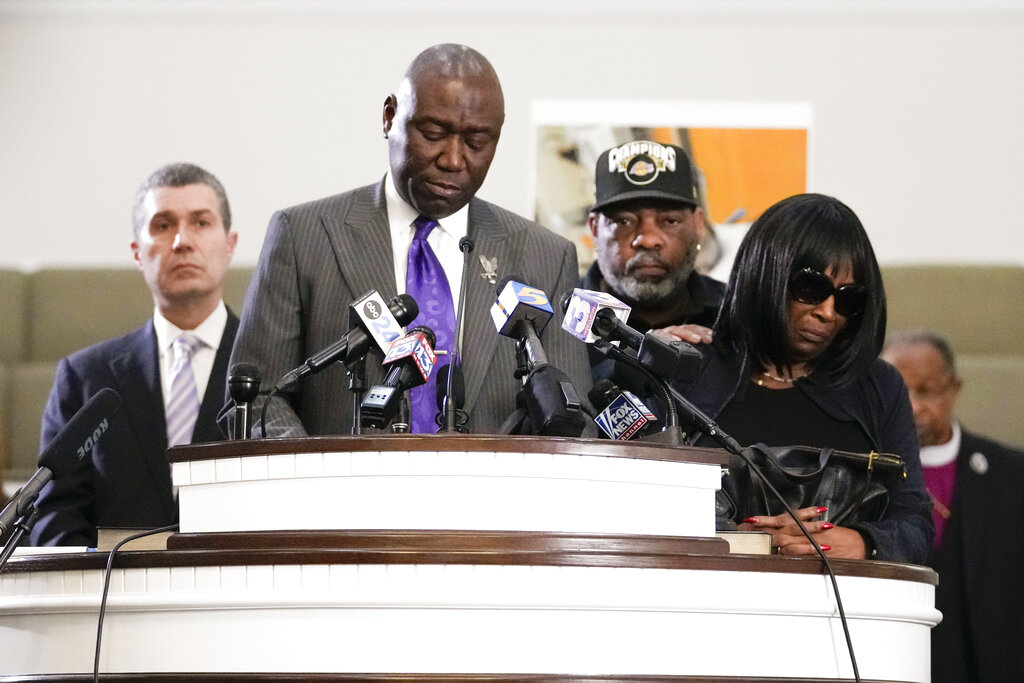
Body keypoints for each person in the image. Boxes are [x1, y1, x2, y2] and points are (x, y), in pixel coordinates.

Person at [230, 43, 591, 436]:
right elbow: (256, 400)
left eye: (477, 142)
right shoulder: (303, 236)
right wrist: (315, 469)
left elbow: (574, 423)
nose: (453, 159)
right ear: (389, 117)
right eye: (434, 134)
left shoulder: (545, 257)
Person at [683, 193, 932, 564]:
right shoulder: (688, 373)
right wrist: (733, 541)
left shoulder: (879, 387)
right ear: (764, 275)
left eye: (848, 299)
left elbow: (916, 523)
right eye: (812, 289)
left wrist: (862, 543)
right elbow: (634, 507)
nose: (828, 312)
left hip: (845, 597)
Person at [30, 163, 240, 546]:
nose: (182, 241)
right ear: (137, 252)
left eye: (201, 222)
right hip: (112, 582)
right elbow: (54, 514)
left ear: (230, 244)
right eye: (163, 225)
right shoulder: (84, 376)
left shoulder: (275, 363)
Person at [881, 330, 1024, 682]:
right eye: (899, 392)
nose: (912, 406)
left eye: (926, 390)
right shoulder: (859, 473)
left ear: (954, 389)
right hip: (888, 657)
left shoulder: (1011, 474)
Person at [582, 139, 723, 342]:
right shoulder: (554, 318)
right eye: (623, 221)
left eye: (670, 221)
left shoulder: (738, 312)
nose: (648, 240)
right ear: (594, 228)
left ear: (698, 225)